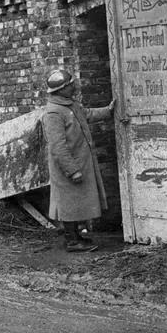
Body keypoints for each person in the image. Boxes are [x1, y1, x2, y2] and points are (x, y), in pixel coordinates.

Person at [41, 69, 115, 252]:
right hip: (67, 167)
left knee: (76, 202)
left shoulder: (70, 106)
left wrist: (109, 110)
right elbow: (57, 146)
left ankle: (76, 237)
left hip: (78, 163)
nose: (74, 87)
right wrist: (72, 170)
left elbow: (87, 114)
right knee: (67, 203)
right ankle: (72, 241)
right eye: (70, 85)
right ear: (61, 90)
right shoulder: (53, 114)